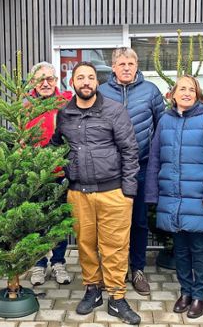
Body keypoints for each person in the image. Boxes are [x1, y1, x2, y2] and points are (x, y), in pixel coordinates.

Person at [51, 62, 142, 325]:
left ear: (97, 82)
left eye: (91, 77)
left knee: (114, 247)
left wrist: (128, 192)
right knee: (86, 245)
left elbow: (130, 151)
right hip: (78, 193)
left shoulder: (114, 111)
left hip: (113, 192)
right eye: (81, 78)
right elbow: (55, 145)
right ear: (73, 83)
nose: (86, 82)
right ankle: (93, 290)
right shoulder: (64, 114)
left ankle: (116, 297)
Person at [144, 75, 203, 319]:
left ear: (198, 94)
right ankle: (185, 291)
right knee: (179, 248)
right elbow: (155, 157)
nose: (187, 93)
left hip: (200, 197)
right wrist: (152, 193)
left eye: (192, 89)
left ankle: (199, 295)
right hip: (172, 197)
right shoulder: (165, 120)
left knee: (199, 249)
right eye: (182, 89)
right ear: (173, 94)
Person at [98, 47, 164, 295]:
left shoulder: (151, 92)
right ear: (113, 67)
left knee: (138, 221)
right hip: (109, 170)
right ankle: (112, 271)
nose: (126, 67)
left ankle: (136, 269)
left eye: (131, 63)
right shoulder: (102, 92)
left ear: (137, 66)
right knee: (110, 224)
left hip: (141, 167)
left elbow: (161, 128)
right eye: (121, 63)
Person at [25, 62, 73, 286]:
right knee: (36, 221)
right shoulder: (25, 106)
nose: (45, 83)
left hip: (59, 172)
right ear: (33, 82)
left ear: (56, 80)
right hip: (33, 174)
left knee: (58, 220)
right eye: (40, 79)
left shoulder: (66, 103)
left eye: (50, 79)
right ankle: (38, 264)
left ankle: (59, 262)